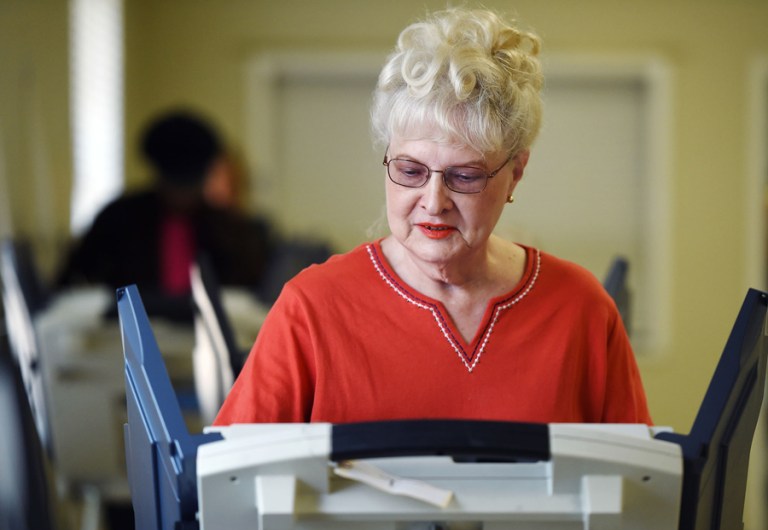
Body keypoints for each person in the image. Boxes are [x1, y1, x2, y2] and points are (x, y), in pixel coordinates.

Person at [214, 7, 652, 425]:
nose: (433, 200)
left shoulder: (582, 308)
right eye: (410, 171)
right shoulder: (310, 308)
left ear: (515, 173)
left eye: (464, 176)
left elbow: (639, 486)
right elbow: (229, 481)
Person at [56, 109, 272, 320]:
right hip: (127, 336)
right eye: (175, 182)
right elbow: (72, 281)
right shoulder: (118, 218)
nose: (181, 195)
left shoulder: (229, 227)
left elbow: (252, 295)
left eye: (189, 183)